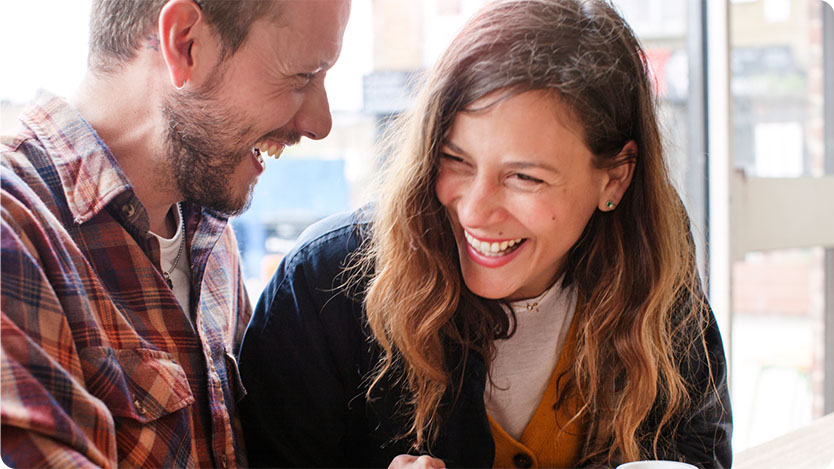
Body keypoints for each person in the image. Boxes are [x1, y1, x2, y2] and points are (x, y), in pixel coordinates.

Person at [237, 0, 732, 467]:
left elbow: (697, 450)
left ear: (615, 178)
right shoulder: (323, 286)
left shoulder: (654, 265)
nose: (473, 210)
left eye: (524, 177)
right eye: (455, 160)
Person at [0, 0, 349, 467]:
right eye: (303, 76)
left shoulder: (209, 230)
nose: (320, 123)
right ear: (185, 43)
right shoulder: (16, 228)